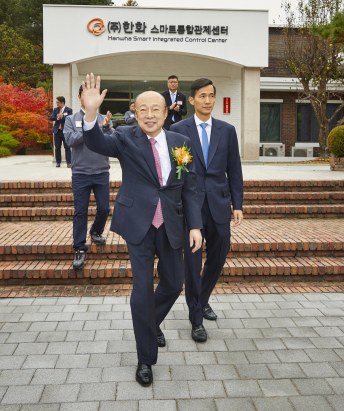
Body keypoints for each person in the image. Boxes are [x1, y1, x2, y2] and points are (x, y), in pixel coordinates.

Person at [81, 73, 202, 387]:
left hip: (173, 223)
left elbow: (188, 186)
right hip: (138, 223)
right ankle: (145, 358)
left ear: (166, 113)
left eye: (156, 109)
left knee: (175, 284)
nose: (150, 115)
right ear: (135, 112)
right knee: (142, 289)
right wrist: (91, 113)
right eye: (143, 109)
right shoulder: (124, 136)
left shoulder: (181, 142)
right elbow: (96, 141)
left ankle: (150, 324)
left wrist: (196, 226)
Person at [171, 78, 244, 343]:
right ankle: (196, 319)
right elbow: (179, 172)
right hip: (191, 207)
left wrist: (238, 204)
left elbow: (234, 170)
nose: (207, 100)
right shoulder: (179, 129)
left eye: (211, 95)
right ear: (191, 100)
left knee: (219, 254)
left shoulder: (227, 130)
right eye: (202, 96)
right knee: (192, 263)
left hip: (220, 204)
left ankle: (201, 299)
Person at [64, 85, 114, 270]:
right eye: (87, 95)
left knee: (104, 208)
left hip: (101, 171)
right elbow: (69, 141)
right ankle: (79, 248)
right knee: (80, 211)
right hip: (80, 173)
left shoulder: (103, 119)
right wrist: (89, 127)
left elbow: (112, 141)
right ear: (79, 97)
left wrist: (107, 128)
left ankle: (95, 231)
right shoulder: (71, 119)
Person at [50, 96, 73, 167]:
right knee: (57, 148)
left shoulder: (69, 110)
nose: (56, 103)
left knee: (67, 147)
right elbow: (52, 118)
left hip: (65, 131)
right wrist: (58, 117)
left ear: (62, 102)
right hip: (57, 131)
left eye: (58, 102)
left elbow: (69, 118)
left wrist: (62, 117)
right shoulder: (55, 110)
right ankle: (58, 162)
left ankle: (69, 163)